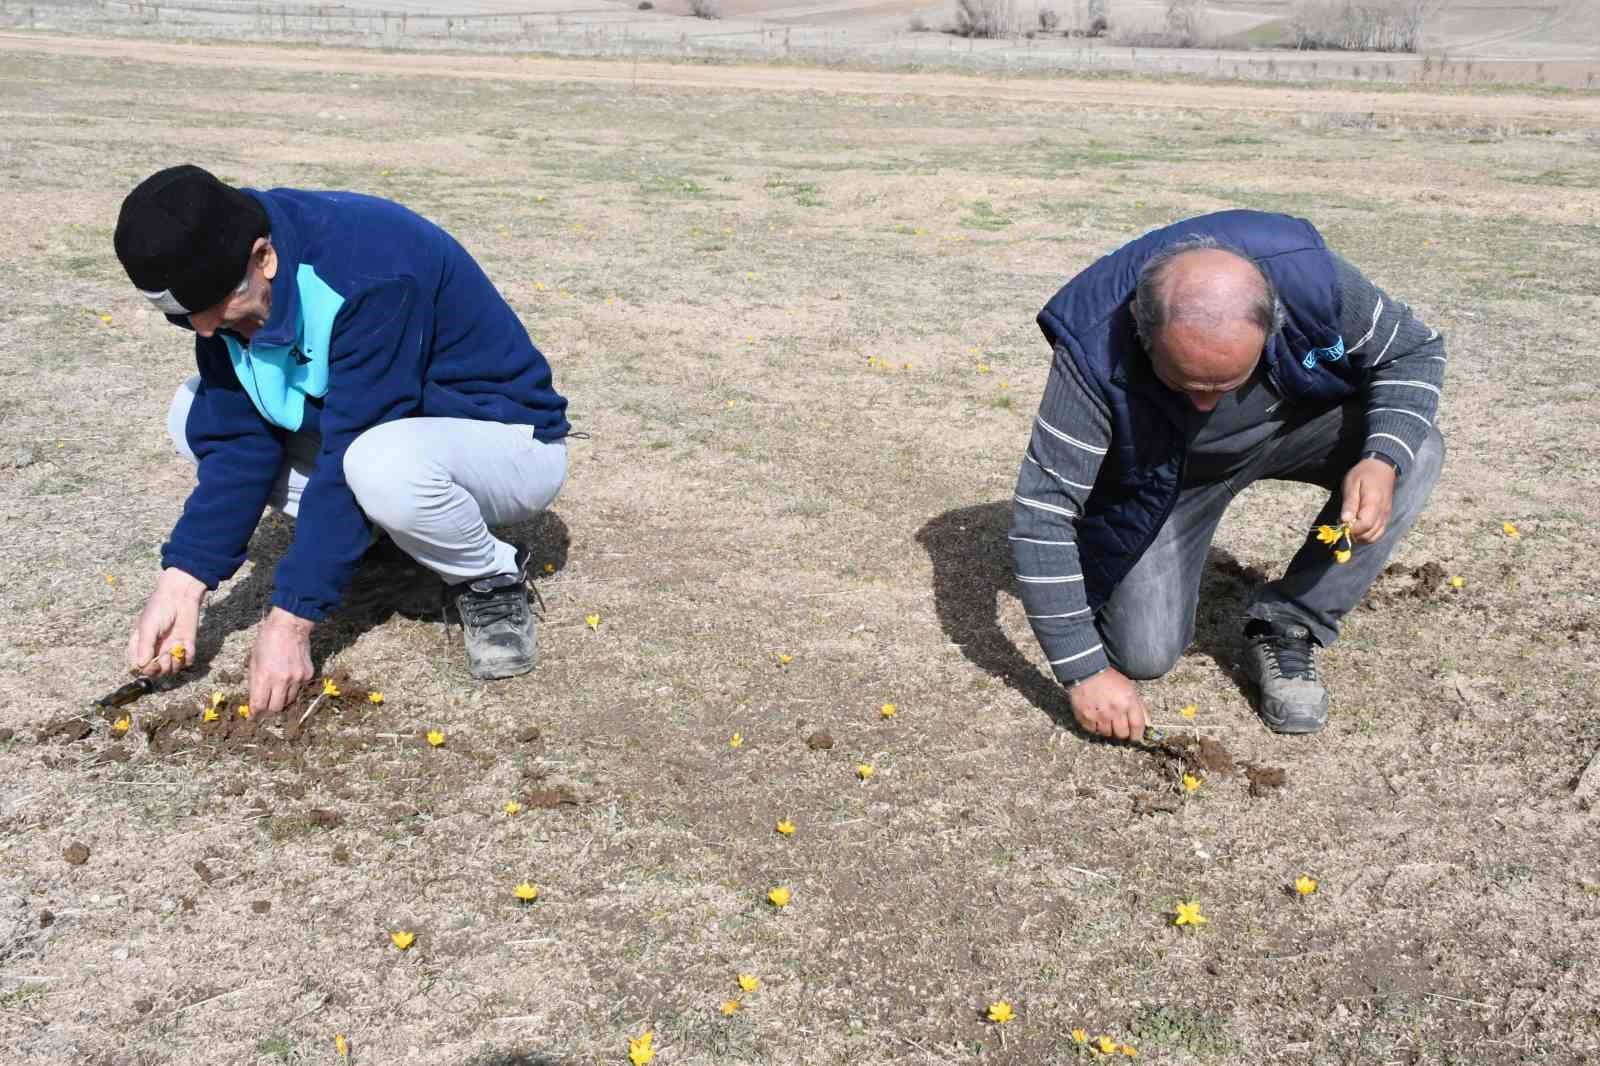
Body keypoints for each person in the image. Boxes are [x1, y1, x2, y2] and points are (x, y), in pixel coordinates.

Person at [113, 165, 570, 711]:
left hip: (505, 440)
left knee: (378, 466)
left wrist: (291, 621)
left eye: (215, 311)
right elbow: (239, 442)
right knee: (194, 412)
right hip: (392, 434)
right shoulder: (220, 280)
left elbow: (353, 443)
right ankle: (386, 535)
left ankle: (488, 577)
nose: (206, 332)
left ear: (265, 258)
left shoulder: (371, 275)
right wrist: (183, 580)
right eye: (188, 318)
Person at [1011, 210, 1445, 738]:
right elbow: (1042, 510)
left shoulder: (1311, 279)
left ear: (1272, 322)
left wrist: (1381, 457)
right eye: (1183, 382)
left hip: (1288, 426)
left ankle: (1291, 620)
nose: (1203, 404)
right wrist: (1084, 671)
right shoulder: (1094, 345)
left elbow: (1414, 352)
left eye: (1225, 383)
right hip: (1166, 477)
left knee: (1414, 449)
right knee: (1143, 654)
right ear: (1145, 335)